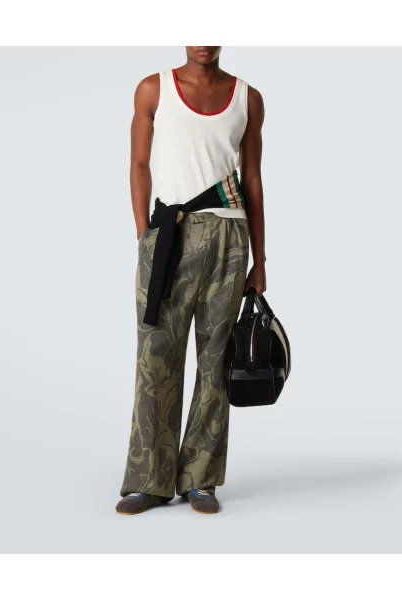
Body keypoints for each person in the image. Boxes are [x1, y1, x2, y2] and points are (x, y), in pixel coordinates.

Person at [116, 46, 266, 515]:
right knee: (155, 356)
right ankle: (149, 480)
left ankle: (200, 478)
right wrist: (144, 235)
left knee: (215, 359)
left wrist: (260, 260)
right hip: (169, 236)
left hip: (228, 236)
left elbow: (253, 179)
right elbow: (139, 164)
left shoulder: (247, 98)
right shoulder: (153, 88)